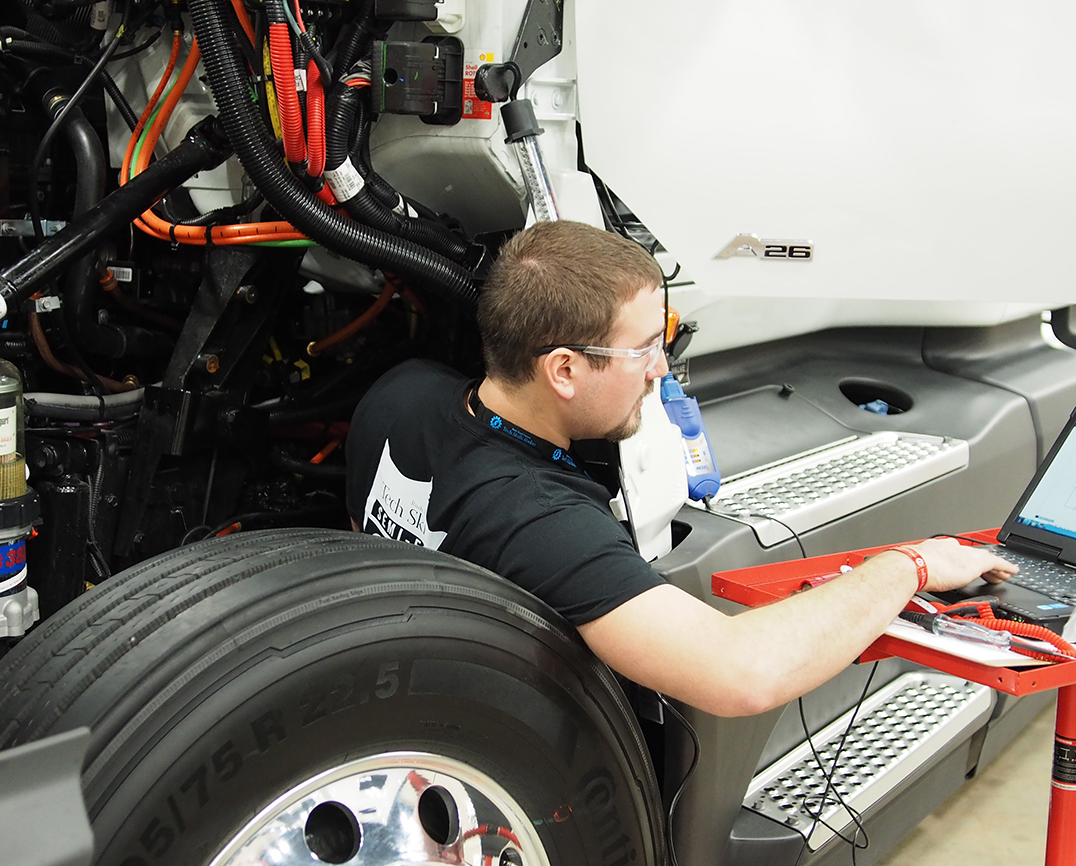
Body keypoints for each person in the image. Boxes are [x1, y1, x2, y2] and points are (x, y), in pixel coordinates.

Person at [346, 219, 1017, 718]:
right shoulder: (542, 521)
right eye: (642, 349)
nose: (659, 368)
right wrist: (911, 566)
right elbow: (743, 673)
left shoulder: (399, 393)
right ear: (565, 370)